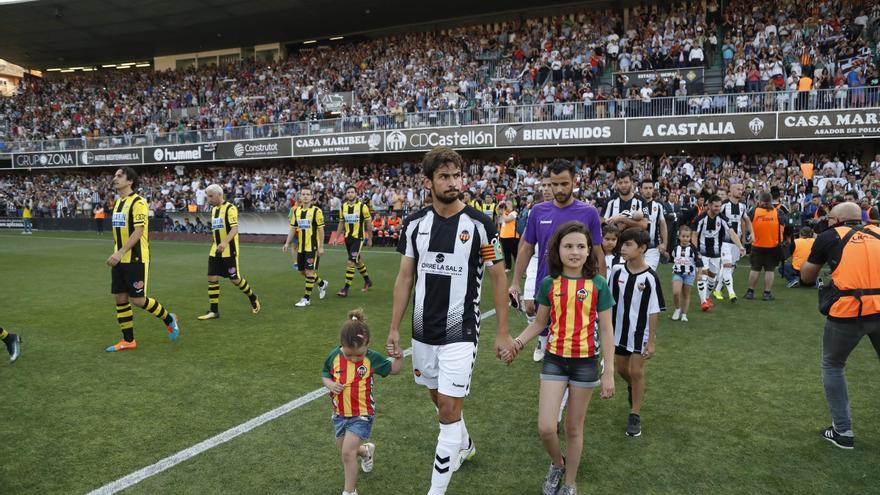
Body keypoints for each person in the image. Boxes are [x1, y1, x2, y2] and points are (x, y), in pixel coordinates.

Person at [386, 147, 512, 495]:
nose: (453, 182)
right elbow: (404, 278)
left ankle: (436, 490)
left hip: (461, 330)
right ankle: (465, 443)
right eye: (444, 176)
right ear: (428, 182)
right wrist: (394, 328)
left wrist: (502, 332)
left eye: (457, 175)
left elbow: (499, 276)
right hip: (422, 330)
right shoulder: (414, 224)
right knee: (438, 400)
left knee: (446, 407)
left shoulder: (482, 225)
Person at [503, 221, 615, 495]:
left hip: (586, 364)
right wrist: (518, 343)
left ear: (589, 251)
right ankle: (557, 463)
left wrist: (608, 371)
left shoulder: (598, 284)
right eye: (568, 246)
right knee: (545, 427)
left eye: (580, 246)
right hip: (555, 360)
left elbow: (608, 329)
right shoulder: (549, 284)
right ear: (558, 250)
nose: (574, 252)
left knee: (573, 429)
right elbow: (539, 323)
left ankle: (570, 483)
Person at [799, 202, 880, 450]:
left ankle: (843, 431)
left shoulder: (828, 237)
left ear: (837, 219)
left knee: (833, 365)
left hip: (848, 311)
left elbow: (806, 277)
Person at [510, 159, 605, 363]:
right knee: (549, 343)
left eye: (564, 183)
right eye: (554, 184)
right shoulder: (538, 211)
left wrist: (602, 287)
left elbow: (597, 252)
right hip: (547, 287)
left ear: (574, 181)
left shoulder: (588, 213)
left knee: (574, 347)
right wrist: (516, 282)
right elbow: (527, 248)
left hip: (580, 290)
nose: (559, 189)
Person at [321, 308, 403, 495]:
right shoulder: (334, 356)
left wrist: (399, 357)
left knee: (347, 453)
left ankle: (349, 491)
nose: (353, 359)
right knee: (345, 448)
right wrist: (330, 384)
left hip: (362, 414)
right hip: (339, 414)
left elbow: (394, 370)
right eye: (348, 355)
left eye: (359, 355)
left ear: (368, 344)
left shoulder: (372, 359)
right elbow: (325, 373)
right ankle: (366, 451)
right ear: (341, 345)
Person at [105, 167, 180, 352]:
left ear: (130, 181)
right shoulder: (118, 203)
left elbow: (138, 231)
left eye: (119, 175)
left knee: (138, 300)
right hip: (119, 258)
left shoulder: (138, 202)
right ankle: (128, 340)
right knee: (120, 298)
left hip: (135, 258)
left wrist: (120, 252)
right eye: (115, 175)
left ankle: (169, 318)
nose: (115, 178)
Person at [609, 228, 665, 437]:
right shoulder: (616, 270)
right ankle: (635, 388)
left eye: (628, 244)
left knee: (637, 371)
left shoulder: (650, 277)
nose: (622, 248)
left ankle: (635, 415)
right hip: (618, 331)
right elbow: (608, 300)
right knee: (622, 369)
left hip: (640, 333)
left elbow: (654, 310)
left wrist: (651, 341)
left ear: (642, 249)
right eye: (621, 244)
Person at [197, 184, 261, 320]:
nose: (208, 199)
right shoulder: (214, 210)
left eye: (211, 196)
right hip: (215, 250)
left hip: (228, 250)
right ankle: (214, 311)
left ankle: (253, 297)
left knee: (235, 279)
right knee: (212, 278)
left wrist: (225, 242)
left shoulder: (230, 208)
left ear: (219, 195)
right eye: (207, 196)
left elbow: (234, 228)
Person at [692, 195, 744, 311]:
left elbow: (731, 233)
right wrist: (696, 251)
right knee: (703, 275)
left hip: (716, 253)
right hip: (702, 252)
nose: (718, 208)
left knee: (712, 279)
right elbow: (694, 235)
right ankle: (703, 302)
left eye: (719, 206)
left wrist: (740, 246)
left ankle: (706, 297)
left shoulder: (723, 219)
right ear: (709, 205)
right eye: (715, 206)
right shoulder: (700, 218)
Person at [522, 174, 554, 362]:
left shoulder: (568, 211)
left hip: (553, 264)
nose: (547, 189)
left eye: (551, 185)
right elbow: (526, 242)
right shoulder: (536, 211)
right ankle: (541, 340)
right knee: (530, 307)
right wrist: (521, 270)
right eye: (544, 185)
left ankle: (546, 342)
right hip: (536, 262)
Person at [283, 187, 328, 308]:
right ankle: (322, 283)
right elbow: (293, 228)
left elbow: (321, 229)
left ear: (312, 197)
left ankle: (306, 298)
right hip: (301, 247)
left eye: (308, 194)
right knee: (302, 271)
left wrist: (321, 246)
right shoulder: (297, 211)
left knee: (309, 271)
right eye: (303, 194)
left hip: (312, 247)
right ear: (300, 197)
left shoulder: (316, 211)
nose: (306, 196)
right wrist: (287, 243)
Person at [716, 183, 752, 301]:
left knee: (729, 268)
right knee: (727, 265)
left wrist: (752, 233)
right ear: (730, 191)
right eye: (738, 189)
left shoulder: (742, 206)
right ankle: (732, 293)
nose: (740, 191)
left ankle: (717, 290)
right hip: (724, 240)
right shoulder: (724, 205)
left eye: (742, 189)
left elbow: (747, 220)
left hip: (736, 243)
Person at [336, 186, 374, 297]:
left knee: (351, 262)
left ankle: (345, 289)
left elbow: (368, 223)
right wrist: (337, 237)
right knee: (357, 261)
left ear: (356, 193)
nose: (350, 194)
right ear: (346, 194)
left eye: (352, 192)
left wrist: (370, 238)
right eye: (348, 192)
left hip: (358, 238)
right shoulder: (343, 207)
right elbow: (341, 223)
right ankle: (368, 281)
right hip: (348, 238)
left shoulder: (362, 207)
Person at [745, 192, 784, 301]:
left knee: (755, 269)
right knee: (770, 270)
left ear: (760, 201)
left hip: (757, 244)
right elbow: (784, 225)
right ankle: (767, 293)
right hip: (773, 245)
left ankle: (750, 292)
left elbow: (747, 222)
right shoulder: (778, 212)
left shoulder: (754, 211)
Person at [670, 225, 702, 322]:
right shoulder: (675, 247)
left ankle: (684, 314)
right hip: (678, 273)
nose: (685, 238)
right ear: (679, 236)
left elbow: (699, 262)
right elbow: (672, 257)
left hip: (689, 274)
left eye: (687, 237)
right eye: (683, 236)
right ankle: (677, 309)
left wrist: (699, 273)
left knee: (686, 295)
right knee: (676, 292)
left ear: (690, 237)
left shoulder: (693, 249)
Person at [637, 178, 668, 270]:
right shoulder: (635, 203)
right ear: (641, 189)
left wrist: (664, 243)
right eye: (645, 188)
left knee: (648, 273)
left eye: (650, 188)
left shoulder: (658, 206)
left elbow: (662, 224)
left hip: (653, 247)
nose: (648, 191)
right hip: (636, 245)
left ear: (653, 189)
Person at [498, 201, 519, 271]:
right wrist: (500, 204)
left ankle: (519, 267)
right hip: (503, 236)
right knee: (506, 252)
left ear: (511, 205)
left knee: (515, 252)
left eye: (507, 205)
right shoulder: (505, 213)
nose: (506, 207)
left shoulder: (514, 213)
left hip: (512, 236)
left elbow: (507, 220)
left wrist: (503, 212)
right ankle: (508, 267)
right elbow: (497, 210)